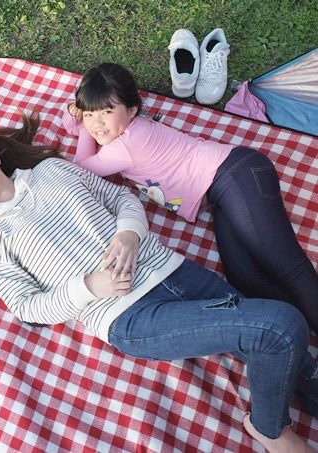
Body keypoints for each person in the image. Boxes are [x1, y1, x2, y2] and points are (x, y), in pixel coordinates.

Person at [0, 113, 318, 452]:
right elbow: (25, 306)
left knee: (295, 358)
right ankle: (270, 429)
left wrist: (129, 235)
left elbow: (122, 198)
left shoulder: (53, 171)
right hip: (129, 317)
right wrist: (89, 287)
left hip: (174, 272)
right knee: (281, 327)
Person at [62, 62, 318, 335]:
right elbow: (73, 123)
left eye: (107, 112)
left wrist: (81, 124)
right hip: (223, 193)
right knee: (245, 279)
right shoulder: (122, 132)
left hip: (234, 175)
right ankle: (296, 332)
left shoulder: (128, 143)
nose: (96, 124)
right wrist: (77, 115)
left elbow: (82, 168)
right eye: (89, 115)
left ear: (132, 110)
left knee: (287, 267)